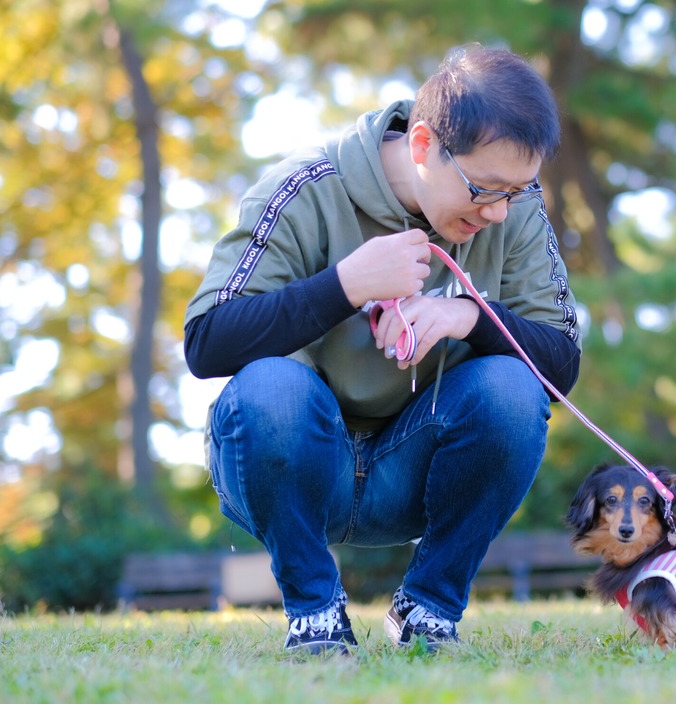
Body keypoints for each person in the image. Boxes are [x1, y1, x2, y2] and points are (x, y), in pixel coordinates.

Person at [184, 45, 581, 655]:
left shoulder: (516, 212)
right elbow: (207, 342)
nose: (499, 211)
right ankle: (314, 611)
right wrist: (345, 285)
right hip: (294, 462)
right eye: (484, 189)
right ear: (423, 146)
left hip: (417, 469)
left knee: (511, 387)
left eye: (516, 190)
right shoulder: (301, 188)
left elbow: (560, 364)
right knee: (269, 388)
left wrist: (466, 315)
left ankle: (429, 609)